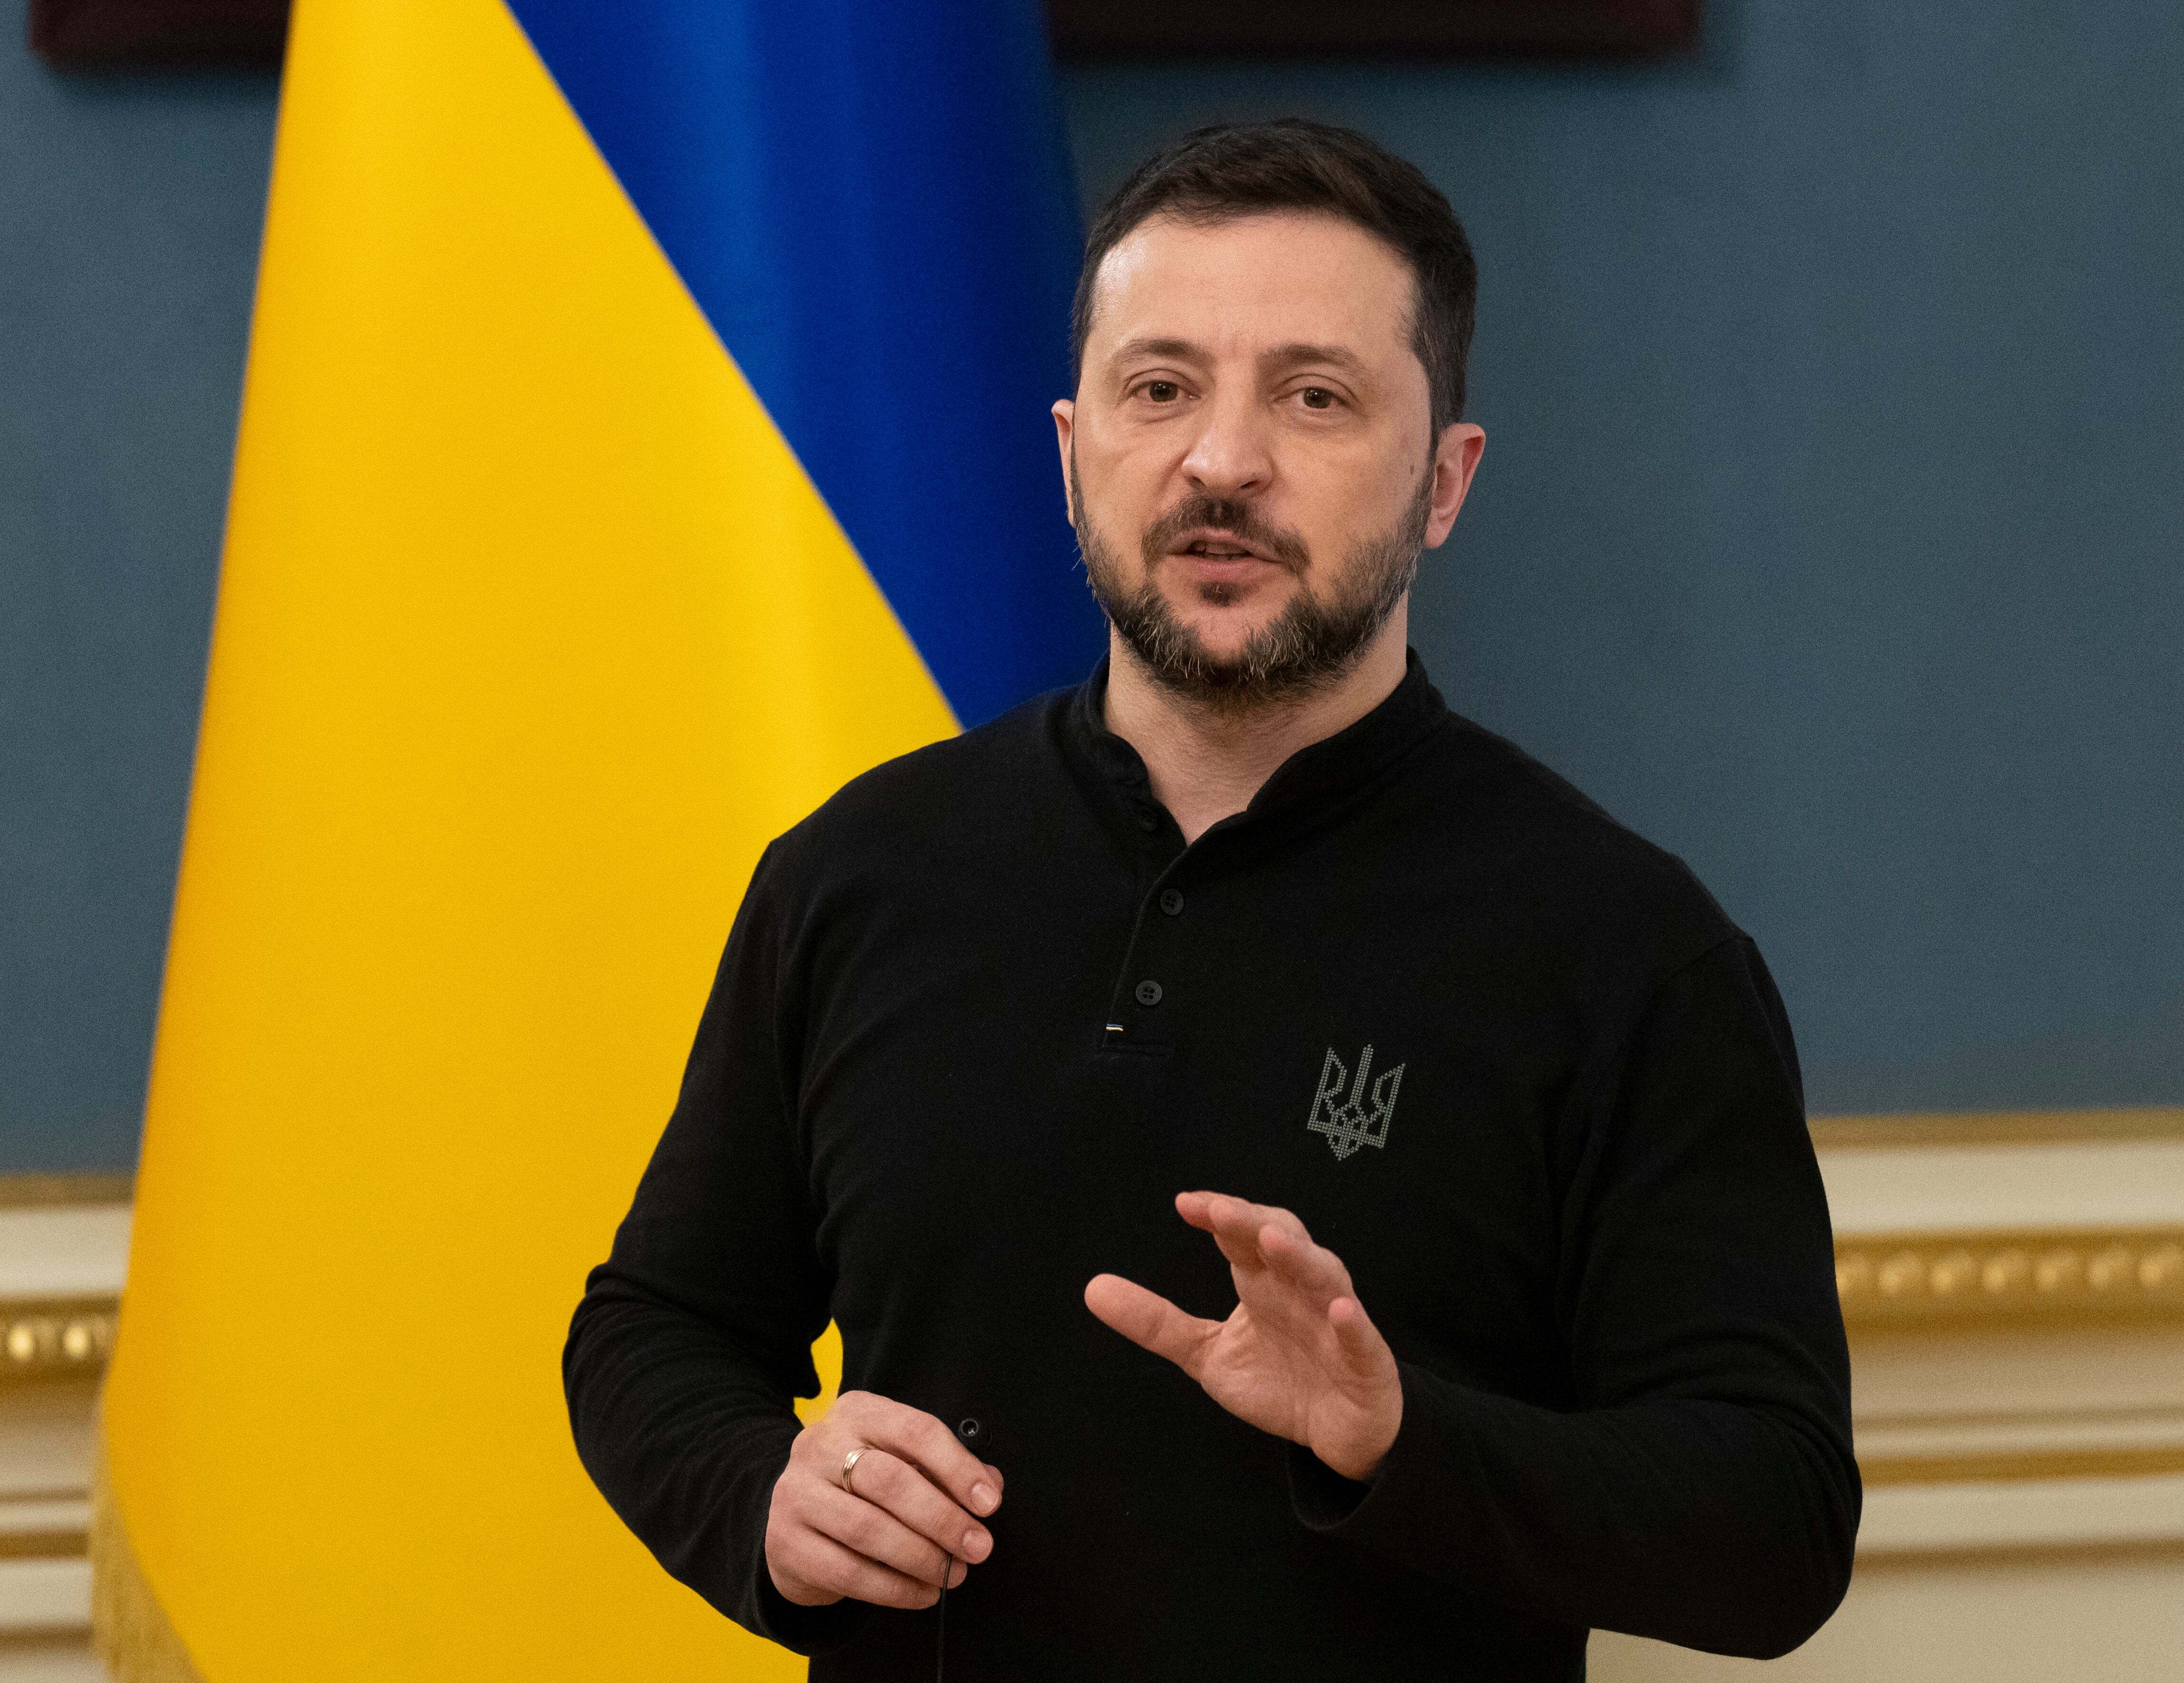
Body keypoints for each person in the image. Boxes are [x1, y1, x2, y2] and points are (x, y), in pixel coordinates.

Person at [564, 118, 1859, 1680]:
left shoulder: (1628, 950)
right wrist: (759, 1492)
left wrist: (1398, 1443)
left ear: (1444, 479)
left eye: (1312, 397)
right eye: (1159, 387)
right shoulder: (856, 871)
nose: (1221, 460)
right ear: (1069, 452)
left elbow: (1772, 1528)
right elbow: (653, 1330)